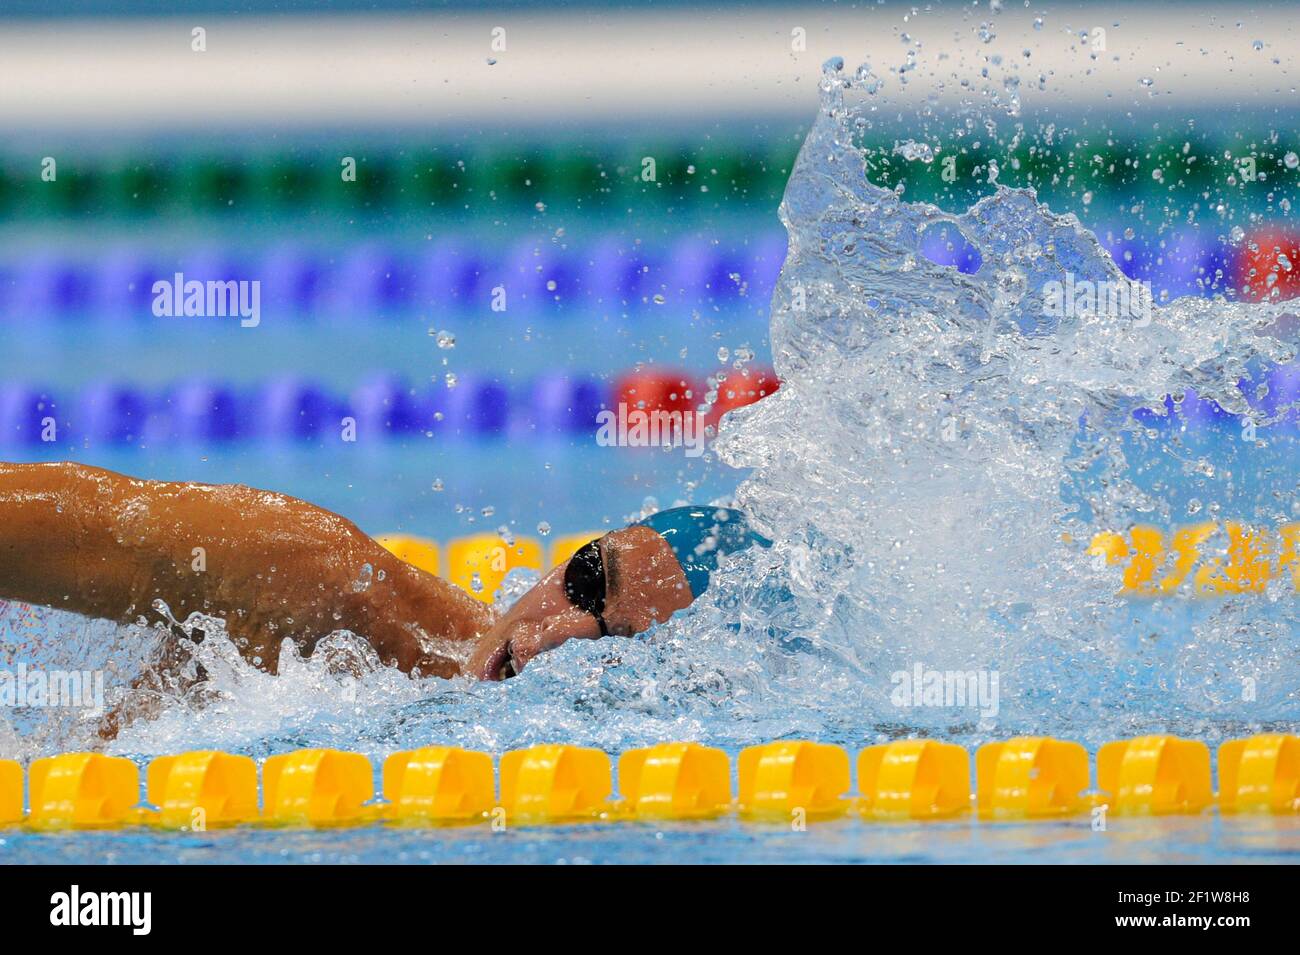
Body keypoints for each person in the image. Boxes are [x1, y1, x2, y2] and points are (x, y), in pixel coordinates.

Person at [0, 461, 767, 705]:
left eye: (624, 643)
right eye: (588, 580)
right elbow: (99, 523)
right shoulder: (321, 579)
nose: (558, 629)